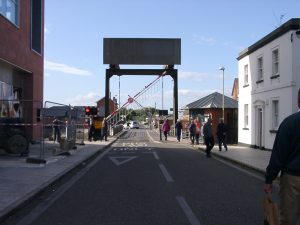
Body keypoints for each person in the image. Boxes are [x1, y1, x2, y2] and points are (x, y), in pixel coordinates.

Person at [264, 88, 300, 225]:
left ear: (298, 101)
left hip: (292, 180)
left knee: (287, 220)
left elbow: (278, 155)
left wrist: (269, 179)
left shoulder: (289, 123)